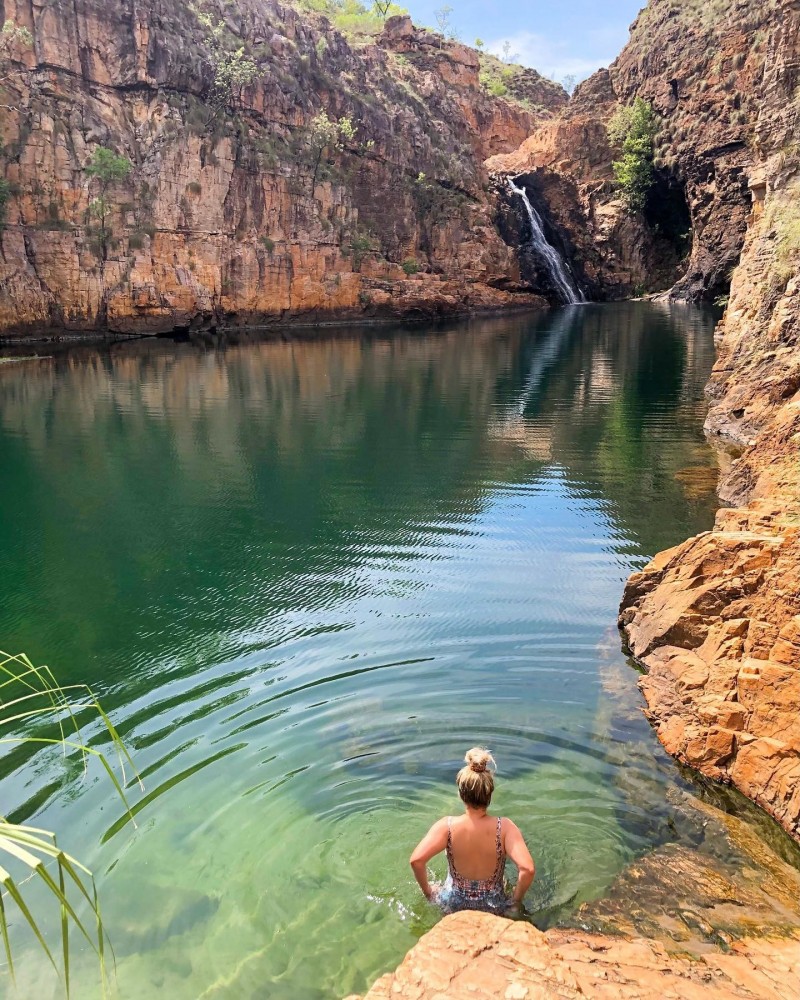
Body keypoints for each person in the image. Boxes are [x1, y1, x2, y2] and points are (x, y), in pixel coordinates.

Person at [409, 747, 535, 916]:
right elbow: (527, 869)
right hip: (493, 906)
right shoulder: (504, 827)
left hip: (452, 905)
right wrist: (514, 902)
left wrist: (430, 894)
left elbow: (416, 860)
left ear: (461, 794)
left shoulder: (446, 826)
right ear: (489, 793)